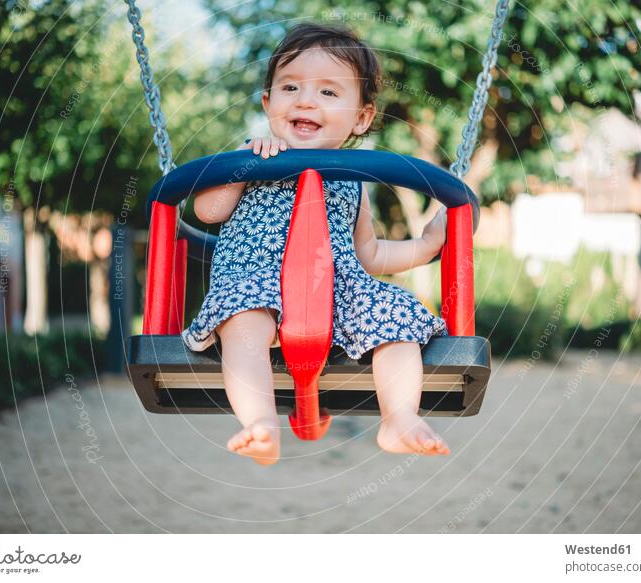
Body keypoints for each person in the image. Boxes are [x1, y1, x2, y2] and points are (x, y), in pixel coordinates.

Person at [183, 22, 451, 465]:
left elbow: (369, 255)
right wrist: (245, 162)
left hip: (337, 295)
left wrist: (423, 246)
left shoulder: (354, 181)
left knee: (396, 316)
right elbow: (208, 211)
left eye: (329, 93)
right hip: (253, 284)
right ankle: (260, 422)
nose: (305, 100)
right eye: (290, 87)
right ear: (268, 103)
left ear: (361, 117)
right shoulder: (254, 156)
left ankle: (399, 417)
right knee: (244, 324)